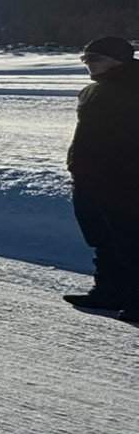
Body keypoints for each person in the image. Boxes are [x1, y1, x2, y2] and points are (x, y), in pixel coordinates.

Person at [64, 36, 139, 320]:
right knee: (102, 238)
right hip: (90, 177)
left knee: (130, 240)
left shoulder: (133, 86)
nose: (88, 65)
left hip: (124, 179)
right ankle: (108, 292)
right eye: (85, 59)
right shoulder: (93, 90)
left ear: (117, 59)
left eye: (94, 58)